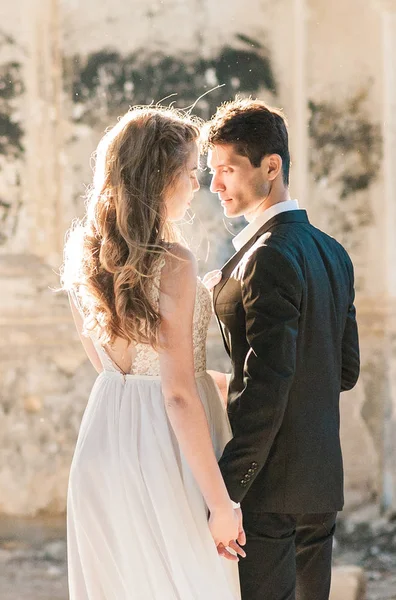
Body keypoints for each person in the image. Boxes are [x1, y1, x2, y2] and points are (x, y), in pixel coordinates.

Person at [61, 105, 244, 600]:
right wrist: (221, 504)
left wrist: (217, 383)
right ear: (161, 178)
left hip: (102, 440)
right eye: (189, 173)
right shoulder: (175, 264)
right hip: (164, 449)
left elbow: (111, 367)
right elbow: (177, 395)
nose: (195, 185)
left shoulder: (82, 254)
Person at [202, 98, 360, 600]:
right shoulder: (332, 251)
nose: (215, 185)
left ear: (272, 166)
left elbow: (269, 384)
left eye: (227, 169)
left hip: (269, 489)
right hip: (319, 487)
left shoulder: (267, 255)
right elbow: (344, 369)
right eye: (212, 171)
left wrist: (226, 491)